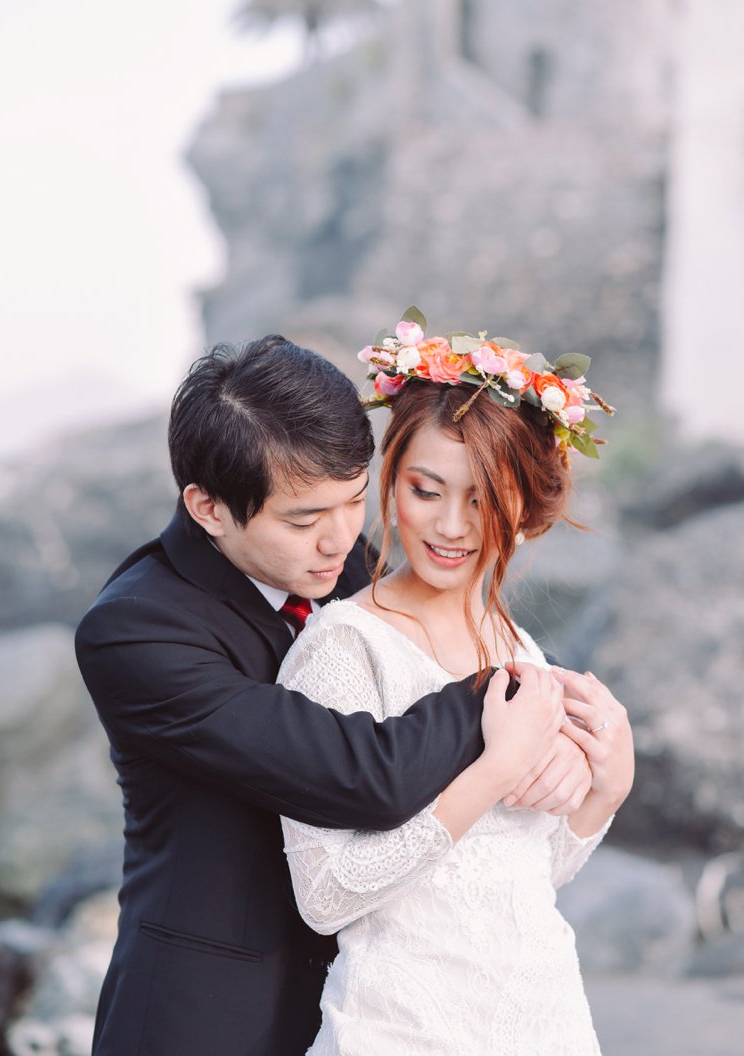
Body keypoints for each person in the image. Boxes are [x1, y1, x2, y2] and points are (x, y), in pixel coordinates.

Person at [74, 335, 591, 1056]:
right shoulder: (135, 632)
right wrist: (508, 698)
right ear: (209, 507)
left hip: (376, 998)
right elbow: (364, 773)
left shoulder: (343, 563)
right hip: (208, 1016)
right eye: (303, 519)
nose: (340, 539)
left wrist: (566, 723)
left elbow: (438, 632)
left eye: (354, 501)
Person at [276, 313, 634, 1054]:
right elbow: (325, 896)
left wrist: (606, 790)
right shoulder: (343, 648)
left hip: (545, 1020)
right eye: (424, 489)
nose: (450, 524)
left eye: (481, 497)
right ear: (390, 480)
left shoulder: (518, 646)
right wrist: (496, 767)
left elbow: (522, 874)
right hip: (400, 1029)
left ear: (523, 504)